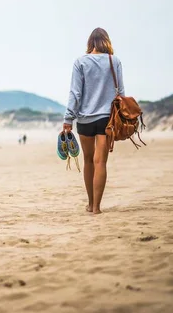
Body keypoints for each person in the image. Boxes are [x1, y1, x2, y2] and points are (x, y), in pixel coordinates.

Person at [62, 27, 124, 215]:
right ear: (106, 41)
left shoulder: (80, 62)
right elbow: (120, 92)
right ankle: (97, 207)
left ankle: (90, 204)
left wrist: (68, 119)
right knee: (100, 163)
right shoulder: (115, 61)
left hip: (85, 120)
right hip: (107, 119)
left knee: (88, 161)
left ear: (90, 43)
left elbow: (75, 93)